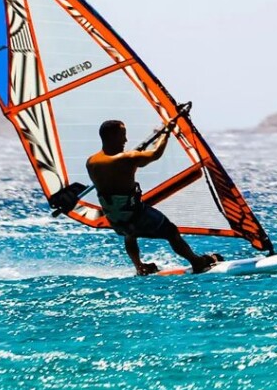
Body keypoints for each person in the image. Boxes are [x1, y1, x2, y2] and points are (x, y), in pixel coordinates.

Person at [86, 118, 222, 275]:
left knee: (130, 233)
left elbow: (118, 172)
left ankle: (139, 266)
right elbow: (155, 154)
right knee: (171, 231)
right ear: (111, 136)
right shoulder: (128, 158)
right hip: (135, 214)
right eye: (122, 135)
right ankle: (197, 262)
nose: (126, 139)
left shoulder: (91, 162)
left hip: (115, 219)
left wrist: (136, 155)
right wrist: (165, 133)